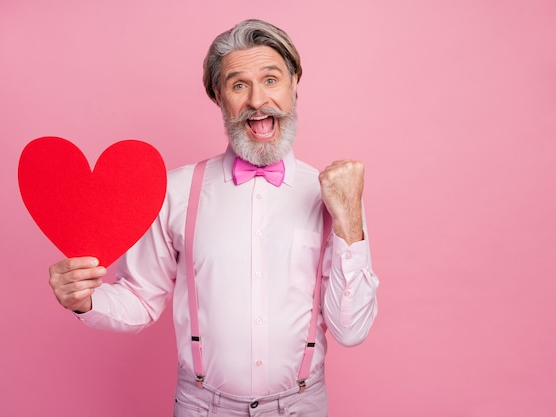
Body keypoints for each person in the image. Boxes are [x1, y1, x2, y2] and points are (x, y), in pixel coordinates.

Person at [48, 19, 379, 416]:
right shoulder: (176, 191)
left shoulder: (334, 194)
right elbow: (140, 297)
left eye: (271, 79)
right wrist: (85, 300)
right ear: (219, 98)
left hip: (301, 406)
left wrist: (349, 225)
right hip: (202, 407)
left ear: (294, 85)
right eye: (239, 85)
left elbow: (351, 330)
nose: (258, 101)